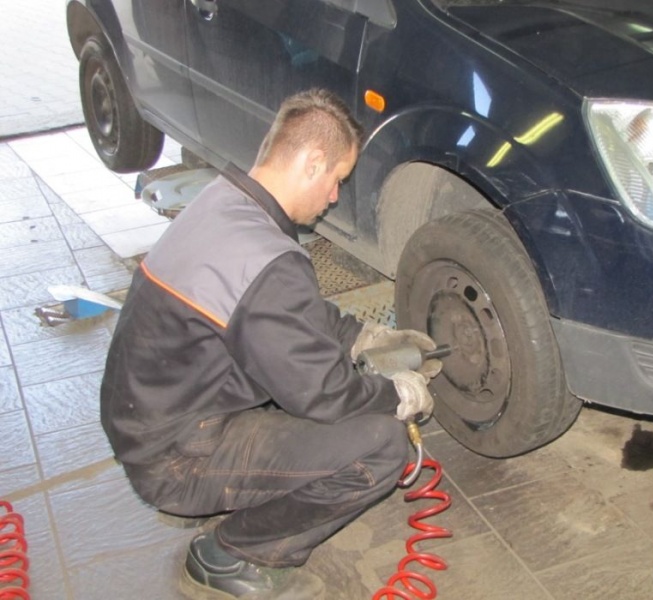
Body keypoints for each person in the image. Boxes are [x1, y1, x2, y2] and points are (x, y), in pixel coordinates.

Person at [100, 88, 441, 599]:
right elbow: (323, 394)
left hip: (152, 422)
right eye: (336, 181)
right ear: (312, 162)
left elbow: (284, 315)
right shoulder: (269, 263)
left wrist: (362, 337)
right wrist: (398, 395)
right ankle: (230, 552)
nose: (333, 197)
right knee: (379, 446)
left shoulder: (224, 203)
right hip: (175, 455)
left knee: (316, 401)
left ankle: (226, 492)